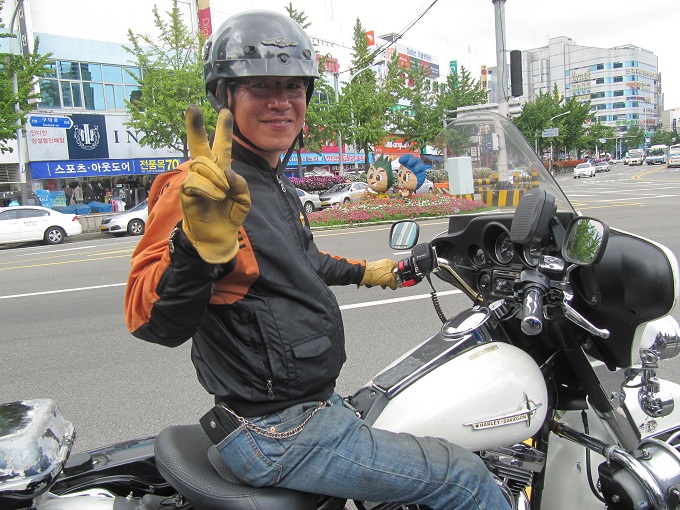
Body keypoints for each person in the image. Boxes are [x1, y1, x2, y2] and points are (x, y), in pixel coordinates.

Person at [124, 9, 508, 510]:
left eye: (294, 86)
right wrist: (194, 247)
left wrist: (372, 273)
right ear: (223, 97)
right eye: (261, 86)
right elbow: (151, 319)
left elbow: (303, 261)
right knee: (465, 477)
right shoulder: (202, 192)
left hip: (305, 407)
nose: (282, 101)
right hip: (276, 428)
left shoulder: (273, 183)